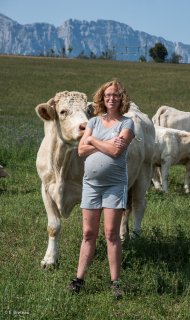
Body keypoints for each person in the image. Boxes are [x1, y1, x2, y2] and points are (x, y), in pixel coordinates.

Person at [68, 79, 135, 299]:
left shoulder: (127, 123)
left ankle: (115, 282)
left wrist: (92, 141)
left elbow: (117, 152)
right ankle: (79, 279)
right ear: (102, 98)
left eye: (115, 95)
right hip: (91, 186)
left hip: (114, 186)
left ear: (121, 98)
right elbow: (80, 150)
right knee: (88, 233)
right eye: (107, 95)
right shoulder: (94, 122)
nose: (111, 98)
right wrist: (103, 142)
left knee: (111, 234)